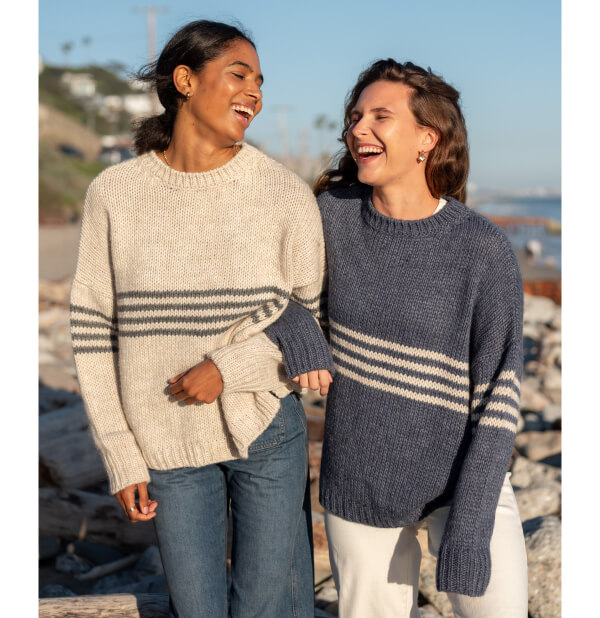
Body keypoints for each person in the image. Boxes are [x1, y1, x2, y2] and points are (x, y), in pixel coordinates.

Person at [69, 20, 334, 618]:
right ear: (185, 80)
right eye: (239, 74)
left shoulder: (282, 193)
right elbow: (91, 332)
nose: (255, 93)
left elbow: (305, 318)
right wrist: (120, 452)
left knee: (270, 609)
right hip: (162, 434)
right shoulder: (115, 193)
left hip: (264, 423)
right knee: (197, 609)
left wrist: (228, 367)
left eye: (261, 81)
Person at [265, 59, 528, 617]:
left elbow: (498, 399)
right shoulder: (329, 217)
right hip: (358, 481)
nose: (358, 128)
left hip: (462, 482)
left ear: (426, 139)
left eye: (380, 116)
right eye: (355, 116)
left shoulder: (482, 251)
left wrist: (471, 522)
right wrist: (298, 330)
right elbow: (259, 283)